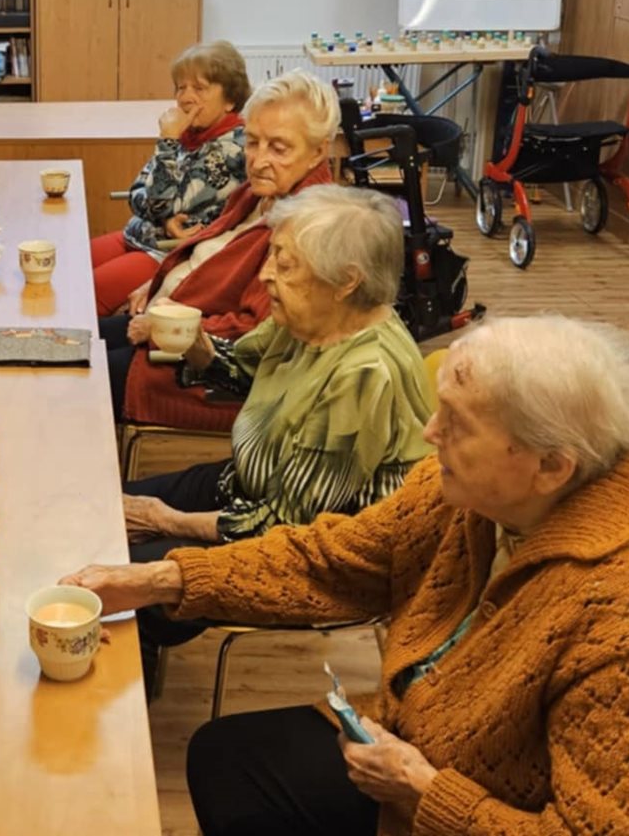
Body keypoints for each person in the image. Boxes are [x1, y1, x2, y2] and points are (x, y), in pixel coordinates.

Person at [67, 316, 629, 836]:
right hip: (430, 737)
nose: (428, 433)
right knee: (226, 760)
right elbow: (336, 559)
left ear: (551, 465)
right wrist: (165, 581)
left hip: (476, 795)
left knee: (238, 775)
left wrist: (424, 790)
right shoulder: (480, 492)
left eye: (457, 423)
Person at [118, 185, 435, 678]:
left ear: (346, 280)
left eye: (284, 264)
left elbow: (287, 527)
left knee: (128, 584)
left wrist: (167, 520)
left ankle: (121, 698)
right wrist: (199, 347)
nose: (266, 274)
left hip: (312, 556)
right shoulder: (315, 317)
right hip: (250, 489)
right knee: (107, 516)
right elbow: (246, 368)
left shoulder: (365, 375)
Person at [98, 70, 338, 428]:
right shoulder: (258, 193)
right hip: (167, 321)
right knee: (75, 342)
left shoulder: (307, 228)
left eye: (278, 148)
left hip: (192, 368)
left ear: (319, 151)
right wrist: (159, 281)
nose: (257, 160)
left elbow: (255, 332)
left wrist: (165, 326)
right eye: (252, 142)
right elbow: (209, 252)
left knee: (77, 382)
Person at [91, 41, 251, 315]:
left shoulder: (232, 149)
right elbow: (137, 191)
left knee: (83, 293)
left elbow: (160, 203)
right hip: (141, 235)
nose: (185, 97)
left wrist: (167, 141)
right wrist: (163, 219)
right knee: (66, 264)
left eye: (199, 88)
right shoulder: (188, 135)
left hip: (168, 254)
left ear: (230, 100)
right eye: (180, 87)